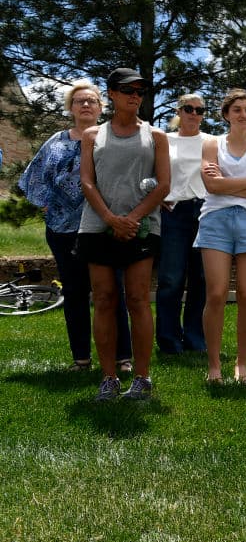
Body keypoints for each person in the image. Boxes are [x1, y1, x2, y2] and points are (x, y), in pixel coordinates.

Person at [18, 80, 133, 372]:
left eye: (91, 101)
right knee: (75, 292)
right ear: (70, 108)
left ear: (100, 107)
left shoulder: (112, 138)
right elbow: (33, 177)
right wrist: (47, 204)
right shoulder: (55, 141)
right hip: (62, 230)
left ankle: (123, 358)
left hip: (104, 227)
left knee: (111, 292)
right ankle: (81, 358)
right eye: (79, 101)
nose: (85, 105)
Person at [79, 68, 170, 401]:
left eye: (140, 91)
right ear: (112, 95)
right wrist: (109, 218)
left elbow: (163, 184)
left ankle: (142, 379)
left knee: (137, 299)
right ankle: (109, 378)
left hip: (142, 227)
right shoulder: (92, 136)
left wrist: (131, 219)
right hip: (97, 226)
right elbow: (87, 182)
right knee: (103, 300)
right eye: (127, 90)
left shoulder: (155, 136)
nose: (135, 95)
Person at [195, 88, 246, 385]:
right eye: (238, 109)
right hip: (215, 221)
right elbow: (211, 187)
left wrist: (229, 183)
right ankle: (215, 365)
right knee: (216, 293)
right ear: (227, 114)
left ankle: (242, 365)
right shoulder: (211, 144)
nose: (244, 114)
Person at [155, 94, 212, 354]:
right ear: (179, 111)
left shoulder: (213, 142)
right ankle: (169, 340)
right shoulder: (164, 141)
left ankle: (195, 338)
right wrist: (156, 199)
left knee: (201, 278)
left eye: (200, 110)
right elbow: (147, 174)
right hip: (173, 212)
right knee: (171, 278)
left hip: (206, 211)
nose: (194, 114)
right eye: (188, 109)